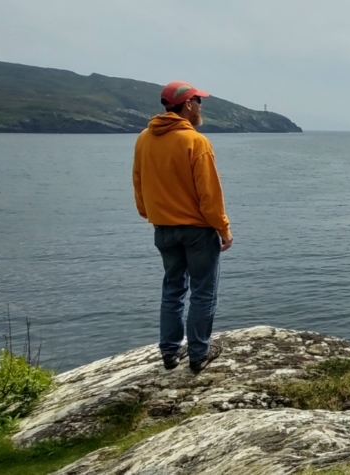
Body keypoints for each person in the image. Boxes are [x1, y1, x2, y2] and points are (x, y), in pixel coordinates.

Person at [132, 81, 233, 373]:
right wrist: (223, 228)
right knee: (203, 291)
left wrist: (148, 213)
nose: (201, 107)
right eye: (199, 101)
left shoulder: (144, 139)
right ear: (187, 105)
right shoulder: (196, 142)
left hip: (162, 228)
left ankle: (169, 351)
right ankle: (199, 354)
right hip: (197, 231)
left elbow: (138, 181)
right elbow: (209, 194)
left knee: (172, 288)